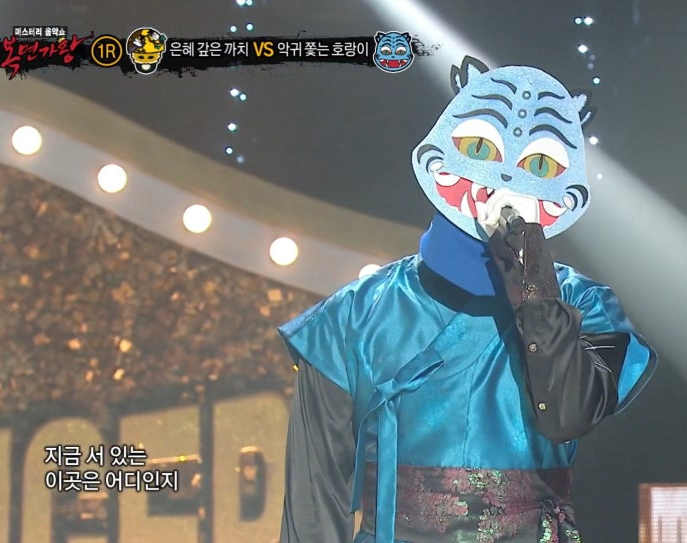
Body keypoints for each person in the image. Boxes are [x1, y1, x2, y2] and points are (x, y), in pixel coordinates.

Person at [277, 56, 657, 543]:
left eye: (538, 165)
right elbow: (313, 507)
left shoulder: (589, 308)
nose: (506, 179)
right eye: (479, 148)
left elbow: (569, 415)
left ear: (569, 198)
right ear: (433, 161)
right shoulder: (350, 319)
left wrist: (536, 291)